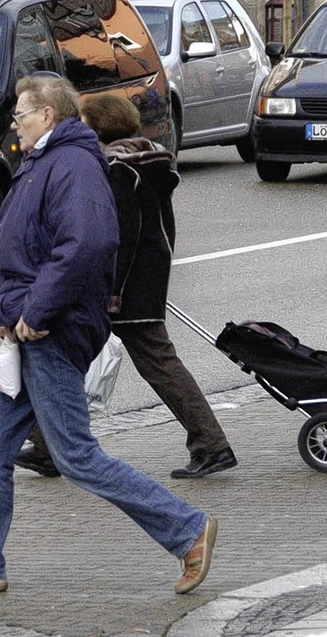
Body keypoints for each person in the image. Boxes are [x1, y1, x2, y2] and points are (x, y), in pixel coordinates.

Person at [0, 74, 217, 596]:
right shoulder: (37, 163)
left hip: (50, 333)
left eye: (22, 113)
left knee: (76, 456)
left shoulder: (75, 164)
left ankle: (188, 529)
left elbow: (88, 245)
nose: (15, 123)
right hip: (23, 331)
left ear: (49, 116)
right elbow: (2, 249)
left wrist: (36, 311)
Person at [15, 94, 237, 480]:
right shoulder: (145, 159)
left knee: (150, 364)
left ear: (96, 128)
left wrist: (112, 292)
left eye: (83, 122)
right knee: (68, 358)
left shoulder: (119, 170)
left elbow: (121, 236)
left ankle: (211, 444)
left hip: (125, 289)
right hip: (142, 280)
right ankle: (49, 445)